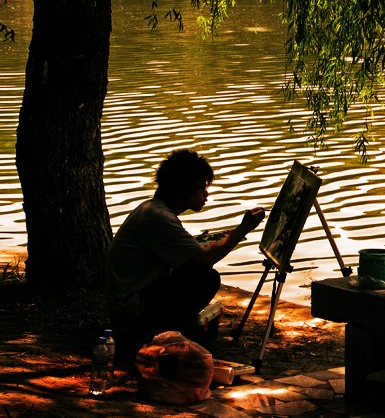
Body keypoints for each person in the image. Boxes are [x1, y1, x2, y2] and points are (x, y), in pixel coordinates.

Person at [105, 148, 265, 367]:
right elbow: (204, 259)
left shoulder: (154, 210)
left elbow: (189, 252)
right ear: (182, 189)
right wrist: (242, 229)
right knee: (206, 279)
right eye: (202, 188)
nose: (206, 194)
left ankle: (165, 329)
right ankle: (151, 332)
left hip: (134, 295)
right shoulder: (158, 217)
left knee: (196, 272)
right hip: (131, 307)